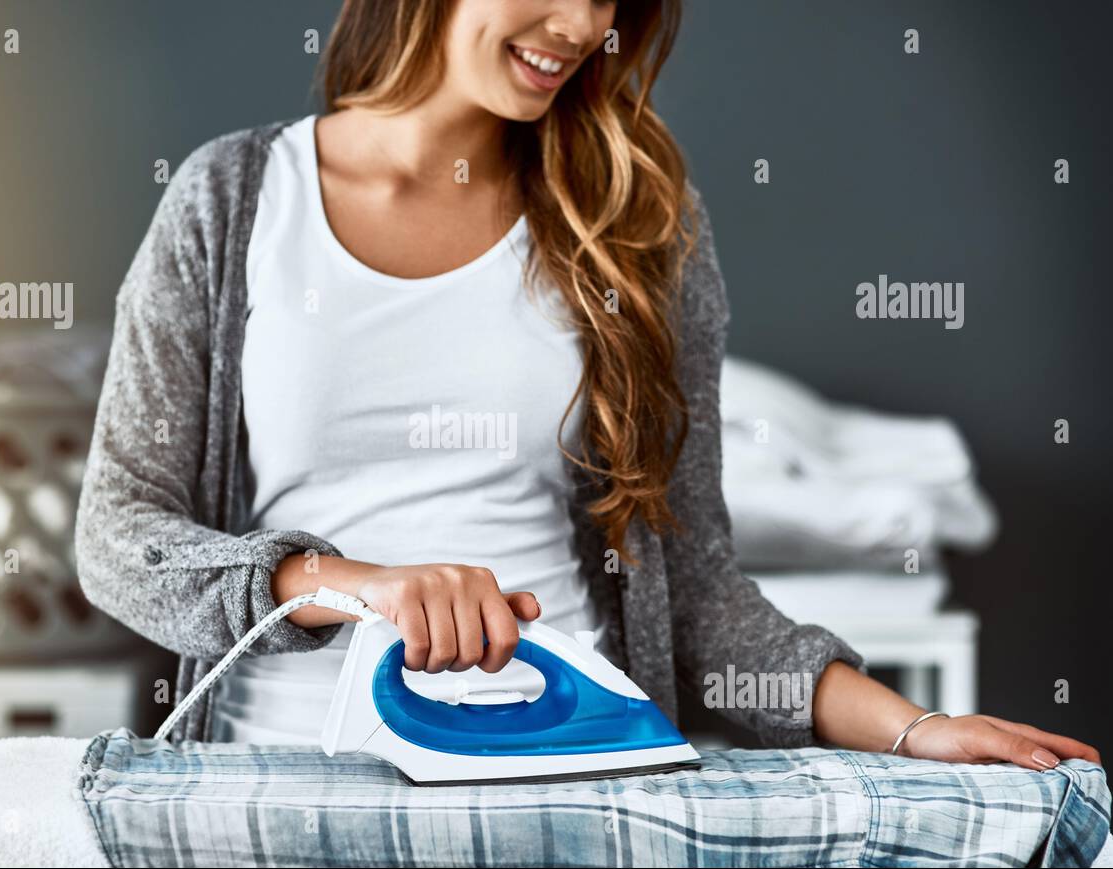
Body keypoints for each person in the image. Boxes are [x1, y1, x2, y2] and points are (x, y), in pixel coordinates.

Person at [76, 0, 1100, 771]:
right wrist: (353, 586)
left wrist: (913, 731)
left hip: (575, 782)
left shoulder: (633, 221)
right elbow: (118, 536)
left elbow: (697, 597)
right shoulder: (233, 201)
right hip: (279, 776)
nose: (581, 25)